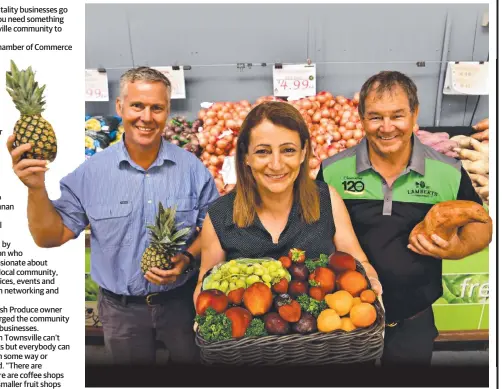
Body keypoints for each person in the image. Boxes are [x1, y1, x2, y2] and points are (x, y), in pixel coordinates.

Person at [7, 67, 220, 365]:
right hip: (122, 313)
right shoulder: (91, 173)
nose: (146, 117)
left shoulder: (193, 169)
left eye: (156, 108)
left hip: (181, 303)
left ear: (167, 112)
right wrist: (35, 187)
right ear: (120, 107)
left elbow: (214, 228)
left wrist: (187, 258)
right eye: (137, 106)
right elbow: (49, 236)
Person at [316, 71, 492, 365]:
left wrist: (458, 248)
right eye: (375, 117)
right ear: (361, 119)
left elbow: (480, 224)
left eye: (397, 116)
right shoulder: (333, 171)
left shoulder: (448, 171)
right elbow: (316, 232)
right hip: (347, 318)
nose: (387, 128)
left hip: (414, 318)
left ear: (414, 115)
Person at [193, 101, 382, 305]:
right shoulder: (219, 215)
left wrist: (371, 280)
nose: (276, 164)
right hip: (247, 337)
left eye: (288, 150)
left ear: (303, 153)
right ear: (245, 156)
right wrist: (204, 314)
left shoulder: (326, 200)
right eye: (262, 152)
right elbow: (206, 284)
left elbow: (358, 262)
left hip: (326, 334)